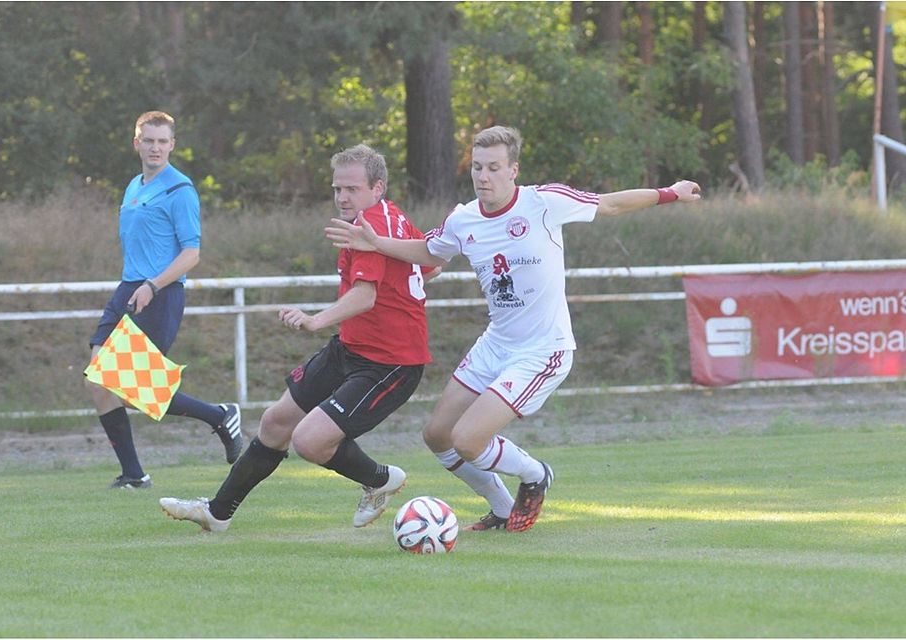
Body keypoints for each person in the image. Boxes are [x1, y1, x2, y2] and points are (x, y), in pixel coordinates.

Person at [326, 125, 701, 533]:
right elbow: (429, 252)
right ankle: (502, 508)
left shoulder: (544, 202)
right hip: (496, 343)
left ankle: (536, 474)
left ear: (513, 170)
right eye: (477, 167)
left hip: (543, 350)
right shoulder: (463, 219)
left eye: (493, 168)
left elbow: (609, 204)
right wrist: (376, 243)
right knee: (438, 435)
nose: (483, 176)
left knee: (468, 440)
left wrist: (670, 192)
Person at [159, 144, 438, 531]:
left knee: (309, 441)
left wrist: (314, 320)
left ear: (378, 187)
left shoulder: (372, 223)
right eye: (337, 188)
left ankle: (379, 480)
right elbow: (432, 263)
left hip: (390, 363)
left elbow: (365, 295)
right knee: (276, 422)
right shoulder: (390, 219)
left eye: (351, 189)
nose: (341, 197)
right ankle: (217, 513)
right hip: (351, 348)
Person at [86, 110, 244, 490]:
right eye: (148, 140)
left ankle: (220, 416)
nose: (155, 147)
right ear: (136, 142)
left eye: (162, 141)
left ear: (172, 145)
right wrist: (136, 284)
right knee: (97, 379)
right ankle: (134, 475)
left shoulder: (180, 190)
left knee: (130, 387)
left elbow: (192, 254)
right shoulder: (134, 185)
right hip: (127, 288)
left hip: (159, 293)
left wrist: (153, 286)